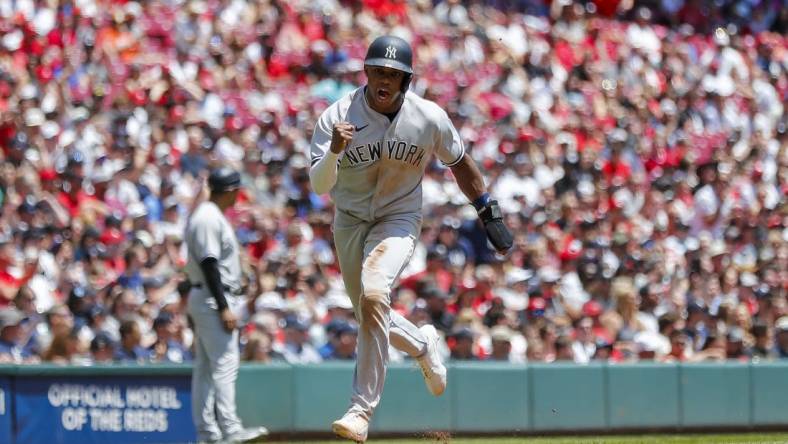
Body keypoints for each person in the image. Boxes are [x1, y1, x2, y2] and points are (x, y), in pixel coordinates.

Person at [309, 35, 513, 442]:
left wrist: (486, 208)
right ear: (365, 72)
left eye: (394, 74)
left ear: (407, 79)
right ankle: (422, 345)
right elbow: (319, 186)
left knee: (372, 294)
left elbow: (459, 161)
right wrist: (334, 151)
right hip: (349, 220)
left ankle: (360, 410)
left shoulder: (428, 117)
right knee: (369, 309)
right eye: (378, 72)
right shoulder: (337, 116)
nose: (384, 80)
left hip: (398, 217)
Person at [184, 167, 268, 443]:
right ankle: (229, 430)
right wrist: (223, 306)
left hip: (209, 295)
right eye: (236, 191)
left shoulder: (209, 215)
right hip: (212, 297)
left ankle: (207, 433)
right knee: (224, 365)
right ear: (230, 191)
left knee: (207, 369)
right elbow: (209, 264)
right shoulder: (207, 216)